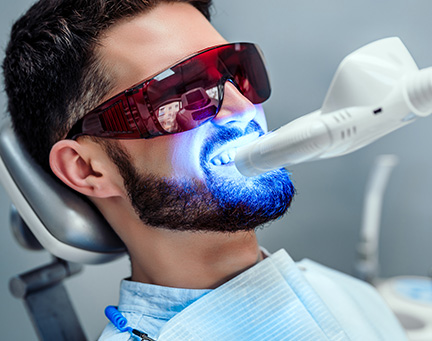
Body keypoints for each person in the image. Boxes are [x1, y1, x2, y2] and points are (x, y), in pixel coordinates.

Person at [2, 0, 407, 340]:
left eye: (236, 71)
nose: (240, 109)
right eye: (181, 93)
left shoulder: (345, 293)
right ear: (87, 169)